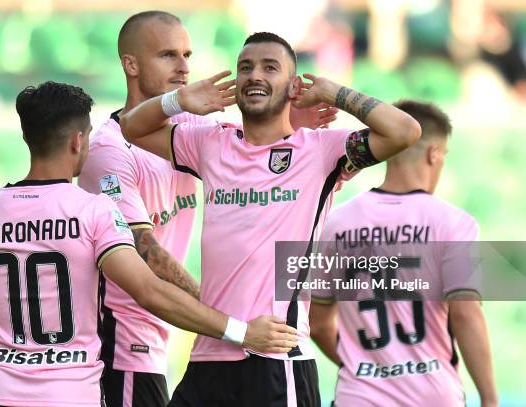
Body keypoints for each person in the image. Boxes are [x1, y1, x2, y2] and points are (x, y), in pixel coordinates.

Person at [119, 32, 420, 406]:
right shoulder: (212, 143)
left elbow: (405, 131)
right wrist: (178, 99)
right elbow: (131, 127)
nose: (254, 75)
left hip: (276, 360)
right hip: (209, 356)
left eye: (269, 67)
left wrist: (332, 91)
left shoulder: (321, 152)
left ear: (294, 86)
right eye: (245, 68)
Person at [0, 81, 298, 407]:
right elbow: (149, 291)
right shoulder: (93, 211)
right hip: (70, 394)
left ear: (26, 137)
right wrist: (242, 332)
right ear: (79, 141)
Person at [77, 11, 337, 406]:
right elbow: (147, 254)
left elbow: (254, 153)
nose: (183, 68)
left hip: (180, 335)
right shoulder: (109, 151)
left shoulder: (191, 130)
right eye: (168, 55)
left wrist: (291, 121)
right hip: (123, 338)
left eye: (187, 54)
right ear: (130, 63)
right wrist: (229, 316)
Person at [309, 100, 498, 407]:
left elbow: (316, 322)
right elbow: (466, 314)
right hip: (432, 396)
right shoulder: (452, 223)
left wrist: (364, 366)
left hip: (358, 396)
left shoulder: (336, 223)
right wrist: (490, 399)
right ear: (434, 154)